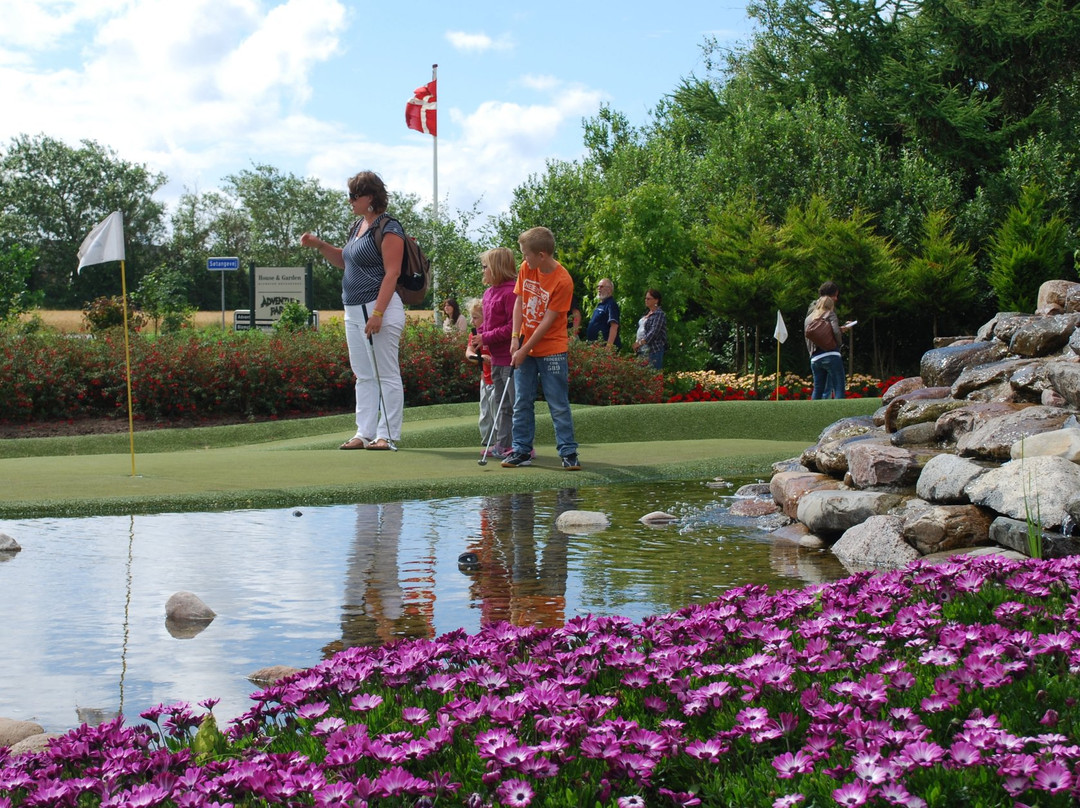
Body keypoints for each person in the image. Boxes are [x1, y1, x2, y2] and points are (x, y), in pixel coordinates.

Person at [300, 171, 403, 451]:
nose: (350, 201)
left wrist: (378, 313)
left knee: (386, 374)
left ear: (370, 197)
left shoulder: (389, 227)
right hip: (353, 310)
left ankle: (387, 435)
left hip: (378, 309)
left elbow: (392, 273)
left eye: (354, 196)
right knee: (364, 375)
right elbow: (346, 261)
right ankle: (364, 433)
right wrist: (320, 245)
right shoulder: (357, 226)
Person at [501, 226, 581, 471]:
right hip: (525, 344)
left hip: (552, 348)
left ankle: (568, 452)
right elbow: (519, 301)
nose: (523, 258)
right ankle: (521, 450)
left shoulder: (563, 281)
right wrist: (515, 337)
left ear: (542, 255)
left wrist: (524, 349)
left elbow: (548, 321)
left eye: (526, 254)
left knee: (557, 403)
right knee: (522, 401)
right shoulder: (527, 268)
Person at [477, 247, 517, 458]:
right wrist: (480, 335)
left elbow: (512, 327)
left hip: (511, 358)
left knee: (514, 404)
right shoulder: (488, 293)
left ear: (496, 268)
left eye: (485, 267)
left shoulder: (511, 292)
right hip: (496, 358)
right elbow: (488, 323)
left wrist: (486, 337)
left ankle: (521, 445)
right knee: (500, 404)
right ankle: (502, 444)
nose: (483, 271)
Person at [804, 294, 846, 399]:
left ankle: (814, 409)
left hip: (815, 358)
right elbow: (835, 332)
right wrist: (839, 344)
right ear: (831, 305)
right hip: (832, 355)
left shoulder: (808, 319)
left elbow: (809, 337)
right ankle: (839, 409)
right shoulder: (830, 314)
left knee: (818, 389)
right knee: (839, 386)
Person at [465, 300, 494, 446]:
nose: (472, 321)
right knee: (485, 414)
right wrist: (480, 358)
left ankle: (502, 443)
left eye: (475, 317)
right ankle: (487, 443)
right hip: (485, 379)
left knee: (498, 412)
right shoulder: (475, 335)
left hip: (498, 380)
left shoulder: (494, 333)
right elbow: (469, 353)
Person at [632, 288, 667, 369]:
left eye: (648, 299)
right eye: (645, 298)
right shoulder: (646, 313)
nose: (646, 300)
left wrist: (640, 343)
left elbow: (654, 332)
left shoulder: (659, 314)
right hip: (641, 350)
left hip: (653, 351)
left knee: (652, 375)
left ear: (656, 300)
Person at [584, 277, 620, 347]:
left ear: (609, 289)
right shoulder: (601, 305)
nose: (599, 289)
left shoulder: (611, 305)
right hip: (594, 347)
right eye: (598, 286)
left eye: (601, 286)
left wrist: (609, 347)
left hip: (604, 348)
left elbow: (614, 326)